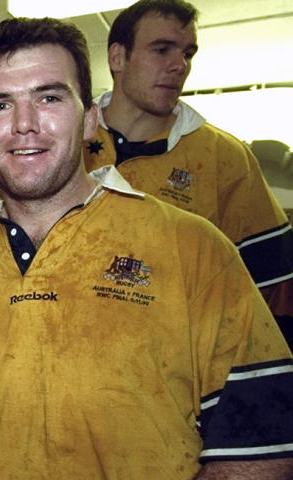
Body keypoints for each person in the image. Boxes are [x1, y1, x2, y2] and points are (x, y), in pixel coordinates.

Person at [0, 17, 293, 480]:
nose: (23, 124)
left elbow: (273, 441)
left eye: (49, 97)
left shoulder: (191, 246)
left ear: (90, 117)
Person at [84, 0, 293, 343]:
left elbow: (275, 289)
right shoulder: (62, 140)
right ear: (117, 58)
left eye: (188, 53)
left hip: (174, 376)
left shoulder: (225, 159)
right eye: (162, 49)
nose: (179, 65)